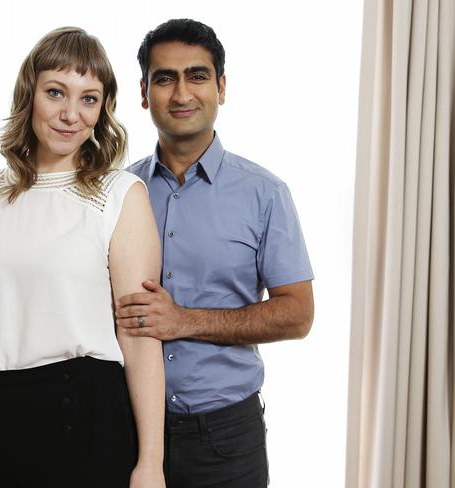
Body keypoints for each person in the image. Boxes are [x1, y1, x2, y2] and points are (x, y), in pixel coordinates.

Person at [0, 27, 166, 488]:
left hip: (82, 413)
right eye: (56, 92)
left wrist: (150, 463)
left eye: (89, 99)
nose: (70, 114)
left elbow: (139, 337)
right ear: (29, 94)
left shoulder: (120, 194)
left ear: (103, 110)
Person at [116, 19, 315, 488]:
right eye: (165, 78)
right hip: (125, 429)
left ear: (221, 88)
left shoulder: (264, 193)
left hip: (225, 439)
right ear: (144, 93)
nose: (182, 93)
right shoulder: (119, 193)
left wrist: (183, 320)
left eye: (197, 76)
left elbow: (298, 314)